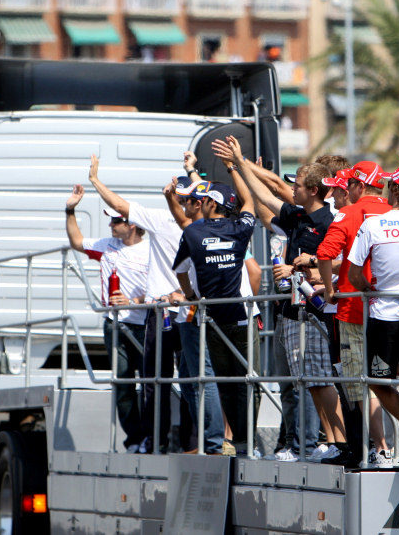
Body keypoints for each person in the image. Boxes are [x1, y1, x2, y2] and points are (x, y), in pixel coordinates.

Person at [213, 141, 343, 462]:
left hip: (314, 313)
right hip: (287, 310)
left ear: (313, 190)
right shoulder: (297, 217)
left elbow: (339, 261)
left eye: (297, 186)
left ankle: (315, 444)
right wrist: (238, 165)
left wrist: (305, 264)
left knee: (314, 380)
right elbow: (264, 197)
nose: (291, 190)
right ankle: (299, 445)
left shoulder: (329, 223)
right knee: (294, 383)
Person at [88, 157, 205, 454]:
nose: (186, 201)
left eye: (187, 196)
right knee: (177, 380)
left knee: (172, 380)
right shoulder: (195, 223)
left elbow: (121, 204)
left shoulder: (180, 221)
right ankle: (174, 441)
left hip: (178, 311)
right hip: (176, 311)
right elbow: (121, 207)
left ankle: (173, 441)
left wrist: (96, 182)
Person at [173, 138, 260, 455]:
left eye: (205, 199)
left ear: (211, 205)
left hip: (210, 317)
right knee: (246, 381)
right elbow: (248, 202)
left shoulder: (193, 232)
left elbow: (181, 270)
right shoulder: (240, 228)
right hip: (240, 315)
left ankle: (217, 442)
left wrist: (192, 295)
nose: (200, 202)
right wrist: (233, 168)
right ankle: (244, 442)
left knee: (214, 381)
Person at [316, 161, 394, 467]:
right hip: (394, 312)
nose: (343, 191)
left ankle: (383, 448)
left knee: (362, 384)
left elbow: (325, 254)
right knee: (389, 382)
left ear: (360, 186)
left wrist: (329, 289)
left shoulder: (348, 214)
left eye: (348, 185)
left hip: (353, 311)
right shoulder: (396, 212)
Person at [347, 164, 399, 467]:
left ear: (394, 190)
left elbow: (354, 274)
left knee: (379, 383)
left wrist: (366, 287)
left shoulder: (374, 225)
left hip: (382, 317)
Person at [64, 184, 149, 453]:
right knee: (123, 386)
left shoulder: (151, 250)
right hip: (115, 325)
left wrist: (134, 301)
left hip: (146, 325)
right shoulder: (107, 246)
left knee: (151, 385)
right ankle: (135, 439)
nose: (111, 225)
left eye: (116, 220)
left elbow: (165, 290)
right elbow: (77, 242)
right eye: (110, 219)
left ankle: (152, 437)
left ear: (132, 224)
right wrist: (70, 210)